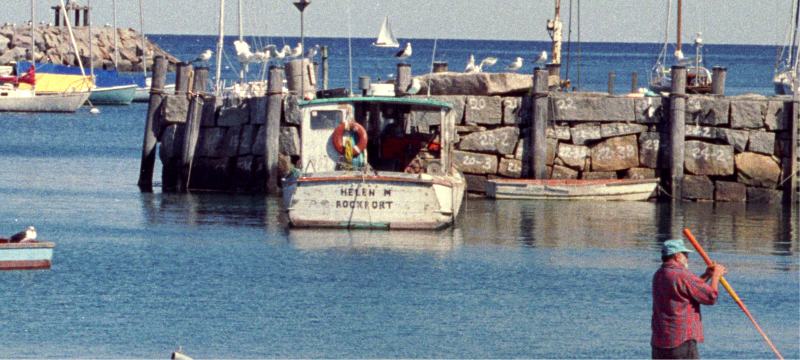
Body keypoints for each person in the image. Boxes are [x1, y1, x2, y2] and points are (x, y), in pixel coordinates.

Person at [651, 239, 727, 359]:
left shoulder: (659, 274)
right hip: (681, 340)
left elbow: (689, 288)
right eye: (685, 254)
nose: (687, 258)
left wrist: (707, 275)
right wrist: (716, 276)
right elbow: (710, 297)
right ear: (677, 256)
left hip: (660, 341)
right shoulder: (682, 274)